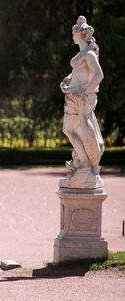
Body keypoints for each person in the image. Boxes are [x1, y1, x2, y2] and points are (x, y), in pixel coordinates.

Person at [59, 16, 104, 188]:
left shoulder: (90, 54)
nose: (72, 36)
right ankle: (84, 164)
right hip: (72, 95)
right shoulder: (81, 54)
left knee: (72, 129)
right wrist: (67, 81)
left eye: (73, 33)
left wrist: (84, 93)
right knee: (68, 129)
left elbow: (99, 75)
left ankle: (86, 164)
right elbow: (78, 73)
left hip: (81, 98)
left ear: (80, 34)